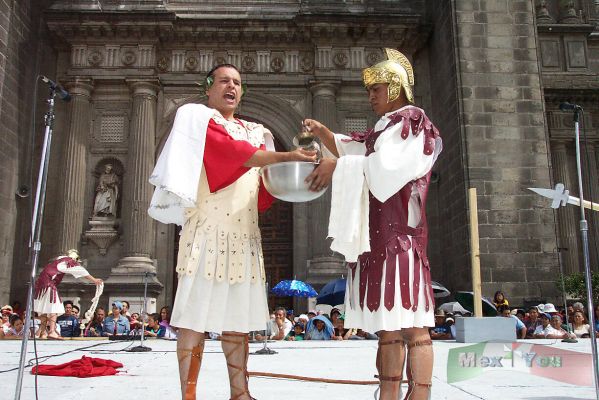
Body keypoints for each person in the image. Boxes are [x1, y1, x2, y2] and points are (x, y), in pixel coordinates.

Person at [147, 63, 315, 400]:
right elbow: (231, 152)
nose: (231, 87)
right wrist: (285, 155)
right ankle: (189, 395)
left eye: (237, 83)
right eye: (224, 81)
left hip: (244, 236)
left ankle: (240, 393)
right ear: (208, 87)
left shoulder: (256, 131)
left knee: (237, 322)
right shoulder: (197, 119)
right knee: (193, 319)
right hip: (207, 232)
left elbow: (266, 182)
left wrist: (306, 167)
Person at [304, 48, 442, 400]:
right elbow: (358, 149)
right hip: (379, 239)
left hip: (401, 237)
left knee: (414, 328)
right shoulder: (384, 128)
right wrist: (325, 135)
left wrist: (337, 165)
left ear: (395, 87)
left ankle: (421, 395)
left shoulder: (412, 121)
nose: (370, 96)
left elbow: (386, 171)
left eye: (375, 89)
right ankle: (390, 395)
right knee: (388, 331)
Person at [33, 249, 102, 339]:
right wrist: (94, 280)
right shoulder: (68, 261)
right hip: (49, 284)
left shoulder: (57, 261)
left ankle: (42, 332)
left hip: (40, 285)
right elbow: (80, 270)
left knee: (45, 309)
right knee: (54, 306)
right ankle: (52, 331)